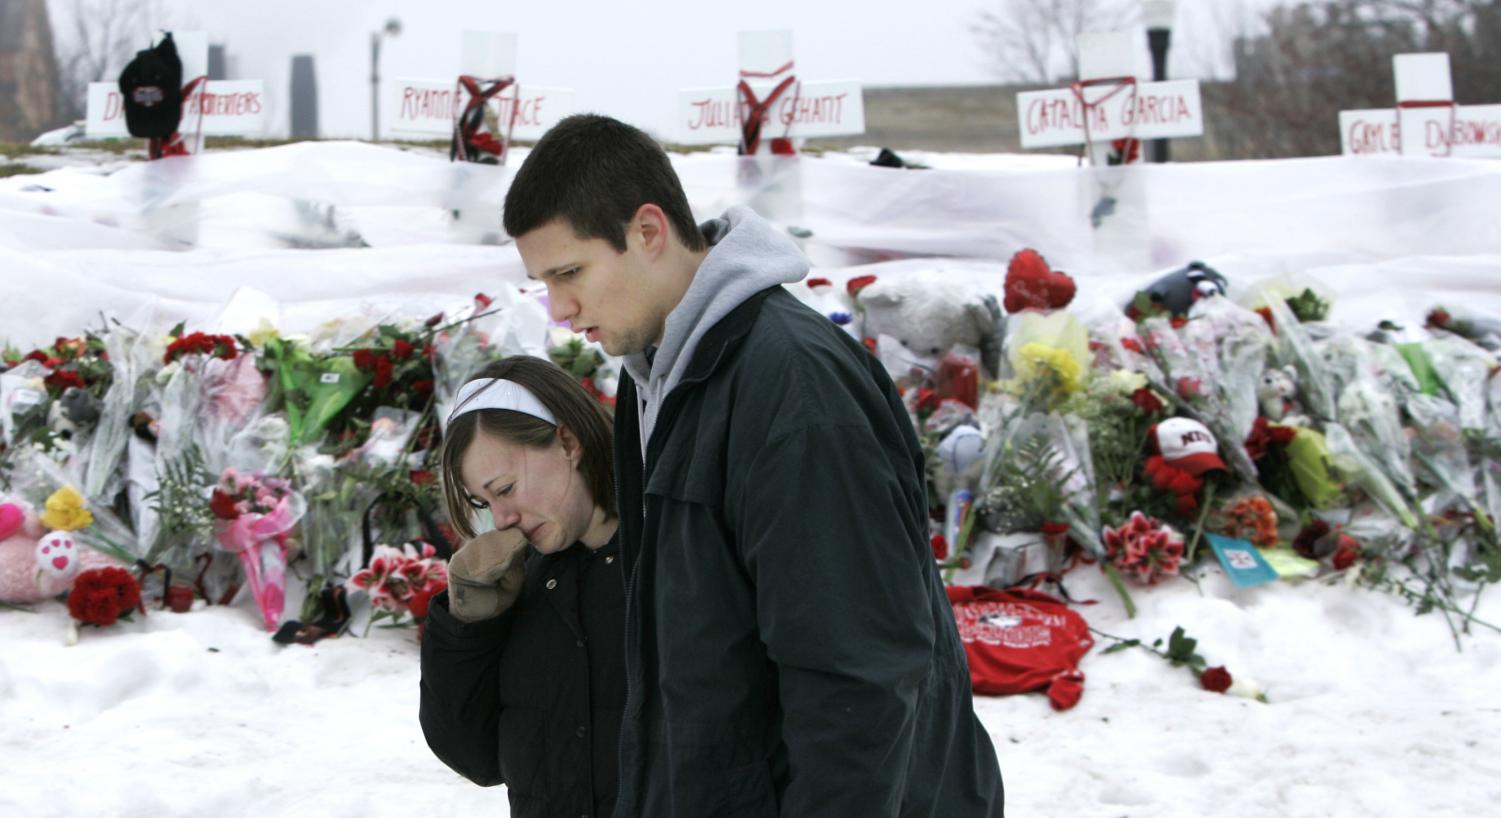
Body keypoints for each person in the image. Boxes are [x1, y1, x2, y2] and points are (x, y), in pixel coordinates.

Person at [504, 114, 1005, 817]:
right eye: (542, 282)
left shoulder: (793, 390)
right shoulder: (656, 378)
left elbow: (858, 679)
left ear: (648, 232)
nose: (558, 309)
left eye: (568, 273)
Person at [419, 355, 624, 818]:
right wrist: (468, 625)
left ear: (567, 442)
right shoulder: (526, 581)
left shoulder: (677, 559)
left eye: (505, 487)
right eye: (485, 501)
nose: (502, 518)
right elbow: (475, 757)